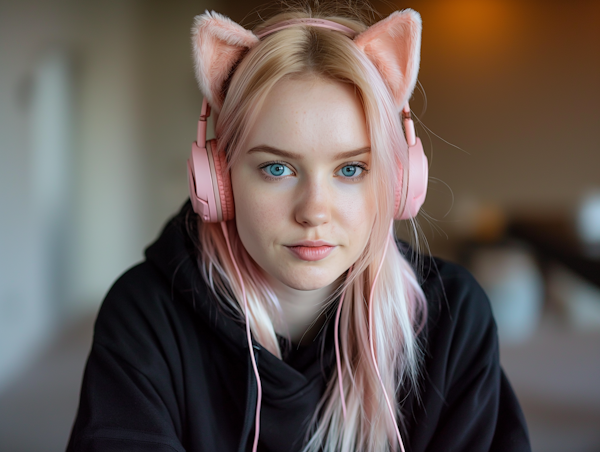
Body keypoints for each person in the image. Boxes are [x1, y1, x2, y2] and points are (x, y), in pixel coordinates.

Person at [66, 3, 531, 452]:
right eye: (277, 169)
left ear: (399, 181)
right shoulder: (142, 316)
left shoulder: (454, 318)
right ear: (219, 179)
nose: (313, 211)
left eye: (350, 170)